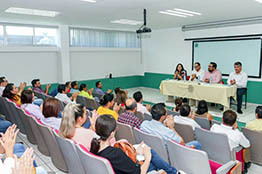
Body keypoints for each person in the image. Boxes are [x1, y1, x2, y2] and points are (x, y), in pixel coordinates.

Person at [90, 115, 181, 174]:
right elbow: (139, 172)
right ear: (111, 133)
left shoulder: (94, 146)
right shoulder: (116, 153)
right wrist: (147, 157)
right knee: (150, 154)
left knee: (152, 165)